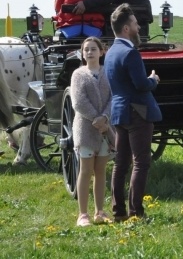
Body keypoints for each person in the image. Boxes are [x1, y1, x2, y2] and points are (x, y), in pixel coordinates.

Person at [105, 3, 161, 222]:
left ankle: (118, 210)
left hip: (119, 111)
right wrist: (153, 80)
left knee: (121, 163)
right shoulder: (130, 53)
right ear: (126, 28)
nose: (139, 28)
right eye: (136, 24)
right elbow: (140, 84)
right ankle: (136, 212)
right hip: (138, 112)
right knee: (140, 163)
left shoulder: (110, 53)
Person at [70, 36, 114, 226]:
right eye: (86, 49)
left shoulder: (108, 73)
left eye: (93, 49)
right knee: (86, 170)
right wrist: (96, 118)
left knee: (101, 170)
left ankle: (100, 212)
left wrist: (105, 118)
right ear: (82, 53)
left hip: (104, 128)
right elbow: (78, 101)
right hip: (86, 129)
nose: (89, 52)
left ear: (101, 52)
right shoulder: (78, 75)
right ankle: (82, 214)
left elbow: (113, 97)